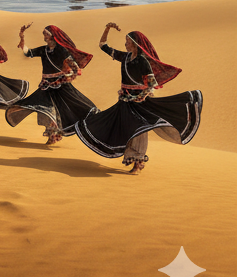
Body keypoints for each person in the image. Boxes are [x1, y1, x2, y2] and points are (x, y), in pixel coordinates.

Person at [74, 23, 202, 174]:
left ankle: (138, 162)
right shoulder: (125, 57)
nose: (125, 44)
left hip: (140, 103)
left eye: (127, 42)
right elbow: (103, 46)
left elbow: (151, 84)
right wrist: (107, 29)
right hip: (124, 102)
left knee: (140, 130)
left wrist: (141, 97)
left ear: (135, 44)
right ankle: (131, 157)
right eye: (125, 42)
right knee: (123, 127)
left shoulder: (142, 61)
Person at [5, 24, 98, 145]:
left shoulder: (62, 51)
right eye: (44, 34)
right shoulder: (44, 50)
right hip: (46, 86)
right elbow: (28, 53)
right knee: (46, 110)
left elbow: (75, 69)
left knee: (62, 110)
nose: (44, 37)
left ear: (54, 36)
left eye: (46, 34)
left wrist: (63, 79)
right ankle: (53, 134)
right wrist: (22, 38)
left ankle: (55, 135)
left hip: (61, 87)